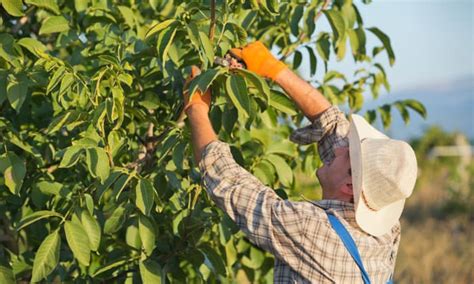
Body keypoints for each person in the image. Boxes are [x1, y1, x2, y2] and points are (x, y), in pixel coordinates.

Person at [183, 41, 417, 283]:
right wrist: (272, 68)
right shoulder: (386, 231)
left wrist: (196, 108)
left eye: (348, 153)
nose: (338, 150)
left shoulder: (310, 228)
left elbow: (228, 183)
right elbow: (333, 126)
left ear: (349, 186)